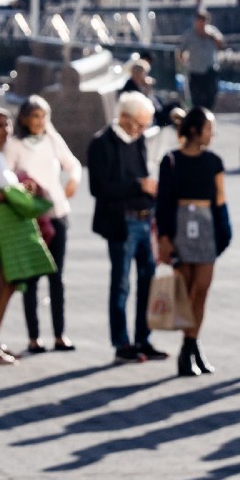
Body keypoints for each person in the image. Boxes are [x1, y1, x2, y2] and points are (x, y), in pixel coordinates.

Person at [0, 109, 58, 366]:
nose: (4, 130)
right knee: (2, 285)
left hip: (6, 226)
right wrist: (15, 191)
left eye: (6, 125)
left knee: (1, 287)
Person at [86, 91, 166, 363]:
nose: (142, 130)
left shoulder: (139, 140)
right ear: (123, 118)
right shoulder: (102, 143)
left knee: (148, 281)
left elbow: (142, 173)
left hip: (145, 217)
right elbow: (99, 189)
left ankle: (144, 339)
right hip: (121, 221)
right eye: (139, 124)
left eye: (145, 125)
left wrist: (151, 189)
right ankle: (122, 343)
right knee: (121, 284)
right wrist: (138, 185)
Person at [154, 107, 230, 377]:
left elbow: (220, 200)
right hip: (180, 228)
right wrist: (164, 237)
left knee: (202, 289)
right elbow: (163, 202)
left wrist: (225, 232)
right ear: (195, 130)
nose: (212, 134)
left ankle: (191, 345)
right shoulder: (171, 160)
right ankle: (188, 350)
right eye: (209, 128)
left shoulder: (213, 161)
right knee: (185, 293)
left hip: (207, 226)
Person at [8, 95, 82, 353]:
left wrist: (72, 180)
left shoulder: (52, 139)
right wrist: (22, 186)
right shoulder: (15, 145)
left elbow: (72, 164)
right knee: (30, 277)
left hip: (56, 212)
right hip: (31, 217)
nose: (40, 122)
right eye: (35, 116)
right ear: (24, 118)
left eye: (43, 117)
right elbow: (7, 178)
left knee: (56, 276)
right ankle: (33, 336)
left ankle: (60, 333)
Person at [182, 11, 225, 112]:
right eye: (199, 21)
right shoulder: (189, 35)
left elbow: (222, 45)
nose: (201, 24)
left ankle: (208, 116)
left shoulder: (213, 32)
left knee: (211, 96)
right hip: (195, 71)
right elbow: (181, 50)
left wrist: (210, 36)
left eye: (203, 22)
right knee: (196, 99)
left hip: (210, 70)